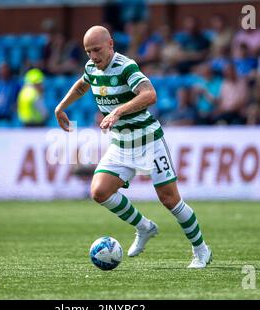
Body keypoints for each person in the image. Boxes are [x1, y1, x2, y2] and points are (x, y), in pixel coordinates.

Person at [55, 26, 212, 269]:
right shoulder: (91, 68)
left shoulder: (126, 66)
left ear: (110, 44)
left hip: (149, 142)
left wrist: (118, 111)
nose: (93, 56)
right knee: (99, 192)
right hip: (121, 144)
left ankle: (201, 250)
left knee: (170, 200)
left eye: (97, 49)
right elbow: (83, 84)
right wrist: (61, 106)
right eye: (88, 51)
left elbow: (150, 95)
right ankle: (144, 227)